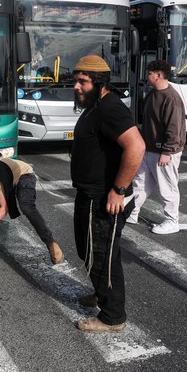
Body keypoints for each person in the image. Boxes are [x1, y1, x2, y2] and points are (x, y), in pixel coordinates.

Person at [70, 54, 145, 333]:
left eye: (83, 82)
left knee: (102, 254)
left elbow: (136, 147)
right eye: (75, 81)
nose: (77, 87)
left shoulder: (110, 108)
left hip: (104, 197)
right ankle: (102, 292)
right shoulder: (95, 105)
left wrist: (118, 189)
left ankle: (112, 316)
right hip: (89, 194)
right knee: (87, 248)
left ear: (100, 83)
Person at [126, 60, 186, 235]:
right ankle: (131, 212)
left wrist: (167, 151)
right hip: (150, 149)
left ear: (158, 75)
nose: (147, 76)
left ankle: (172, 221)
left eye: (149, 73)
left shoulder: (171, 98)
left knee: (168, 187)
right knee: (140, 183)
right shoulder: (153, 94)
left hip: (165, 151)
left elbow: (175, 128)